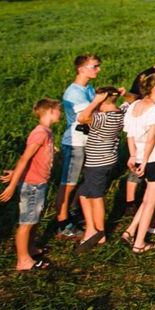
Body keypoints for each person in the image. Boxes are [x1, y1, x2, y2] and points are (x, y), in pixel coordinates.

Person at [0, 98, 60, 271]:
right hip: (32, 185)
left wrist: (15, 172)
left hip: (39, 182)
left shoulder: (47, 131)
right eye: (59, 110)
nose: (60, 113)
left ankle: (31, 248)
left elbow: (30, 160)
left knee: (34, 219)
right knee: (26, 222)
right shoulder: (40, 133)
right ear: (51, 110)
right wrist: (12, 184)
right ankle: (23, 260)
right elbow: (25, 158)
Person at [121, 74, 155, 253]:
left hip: (140, 157)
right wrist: (144, 160)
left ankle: (130, 230)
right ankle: (139, 243)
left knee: (147, 198)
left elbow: (130, 134)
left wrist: (133, 156)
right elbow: (151, 139)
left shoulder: (134, 106)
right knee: (151, 201)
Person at [74, 87, 128, 248]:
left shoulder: (102, 118)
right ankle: (91, 227)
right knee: (84, 193)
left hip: (97, 163)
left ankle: (100, 233)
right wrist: (122, 94)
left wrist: (95, 101)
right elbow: (129, 101)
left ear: (102, 101)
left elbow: (82, 118)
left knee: (96, 196)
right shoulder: (121, 113)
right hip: (108, 159)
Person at [55, 53, 101, 237]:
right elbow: (85, 116)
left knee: (79, 181)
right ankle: (62, 223)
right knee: (68, 184)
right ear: (81, 69)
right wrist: (98, 101)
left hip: (86, 141)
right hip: (75, 143)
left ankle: (73, 211)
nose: (98, 69)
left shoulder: (88, 88)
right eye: (94, 66)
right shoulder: (73, 93)